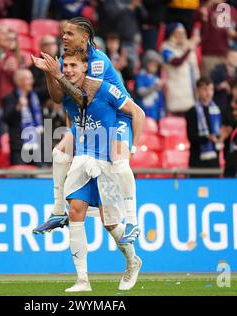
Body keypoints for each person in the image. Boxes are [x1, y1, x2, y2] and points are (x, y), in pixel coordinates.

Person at [31, 17, 140, 244]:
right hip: (89, 118)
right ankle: (59, 211)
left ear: (84, 38)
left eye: (70, 33)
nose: (64, 37)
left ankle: (132, 221)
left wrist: (59, 75)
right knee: (59, 154)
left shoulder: (98, 60)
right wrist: (50, 74)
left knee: (120, 163)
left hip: (117, 114)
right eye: (64, 33)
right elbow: (59, 97)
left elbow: (83, 99)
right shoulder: (66, 60)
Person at [47, 48, 145, 292]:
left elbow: (136, 112)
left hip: (107, 161)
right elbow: (72, 120)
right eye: (65, 66)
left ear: (85, 68)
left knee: (110, 223)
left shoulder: (104, 89)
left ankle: (133, 261)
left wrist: (129, 147)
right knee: (76, 212)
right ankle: (82, 280)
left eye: (73, 66)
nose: (68, 70)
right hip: (85, 158)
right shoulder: (68, 96)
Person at [2, 69, 43, 166]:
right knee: (19, 176)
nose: (32, 81)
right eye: (28, 79)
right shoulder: (10, 98)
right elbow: (6, 119)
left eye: (31, 78)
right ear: (19, 81)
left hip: (36, 145)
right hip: (19, 146)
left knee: (39, 176)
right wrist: (17, 108)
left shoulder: (34, 97)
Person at [161, 23, 200, 115]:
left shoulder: (187, 47)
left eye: (183, 33)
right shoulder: (166, 47)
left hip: (190, 91)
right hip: (176, 91)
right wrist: (188, 50)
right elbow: (176, 62)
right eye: (178, 33)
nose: (181, 36)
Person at [195, 0, 237, 77]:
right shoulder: (205, 7)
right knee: (208, 84)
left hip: (229, 56)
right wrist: (209, 4)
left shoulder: (232, 9)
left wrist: (235, 35)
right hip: (209, 54)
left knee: (226, 85)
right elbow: (195, 19)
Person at [186, 77, 223, 170]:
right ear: (198, 91)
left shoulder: (217, 110)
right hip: (197, 157)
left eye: (211, 89)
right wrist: (207, 138)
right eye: (204, 89)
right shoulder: (192, 111)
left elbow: (221, 131)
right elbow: (191, 136)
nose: (208, 93)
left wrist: (221, 137)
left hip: (214, 157)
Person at [135, 50, 165, 121]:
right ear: (146, 63)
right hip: (144, 112)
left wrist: (161, 111)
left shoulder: (156, 78)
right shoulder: (141, 76)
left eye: (156, 65)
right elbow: (141, 93)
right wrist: (155, 87)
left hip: (155, 114)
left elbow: (160, 98)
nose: (154, 67)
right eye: (151, 64)